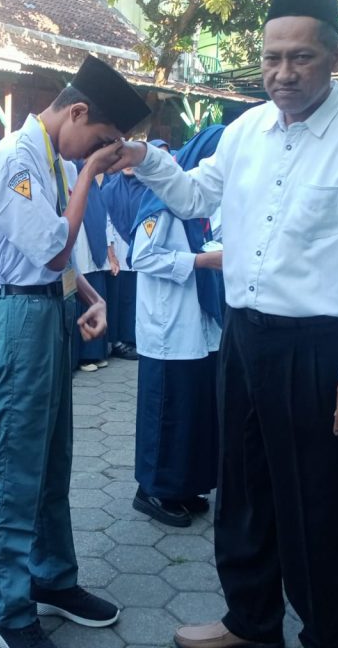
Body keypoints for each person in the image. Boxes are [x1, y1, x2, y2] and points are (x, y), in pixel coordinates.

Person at [99, 0, 338, 648]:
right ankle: (251, 620)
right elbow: (192, 196)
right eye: (272, 57)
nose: (283, 73)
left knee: (317, 501)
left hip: (319, 347)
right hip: (243, 337)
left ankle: (329, 633)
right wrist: (143, 157)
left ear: (336, 56)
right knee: (242, 487)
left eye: (301, 57)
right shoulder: (246, 130)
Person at [0, 54, 150, 648]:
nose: (94, 154)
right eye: (99, 141)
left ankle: (52, 578)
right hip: (22, 318)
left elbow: (57, 258)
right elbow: (50, 248)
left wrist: (90, 294)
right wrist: (88, 173)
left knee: (52, 459)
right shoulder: (15, 160)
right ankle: (10, 610)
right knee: (16, 467)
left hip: (50, 310)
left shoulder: (49, 157)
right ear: (76, 112)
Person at [129, 125, 225, 528]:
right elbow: (141, 256)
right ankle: (153, 489)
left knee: (194, 408)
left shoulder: (210, 203)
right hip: (168, 323)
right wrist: (201, 262)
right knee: (166, 408)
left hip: (199, 322)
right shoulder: (162, 199)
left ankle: (184, 485)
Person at [71, 159, 111, 372]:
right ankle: (82, 357)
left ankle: (96, 353)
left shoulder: (95, 191)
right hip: (78, 256)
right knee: (82, 304)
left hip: (96, 257)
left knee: (96, 301)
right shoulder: (72, 189)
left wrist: (110, 253)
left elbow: (105, 222)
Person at [102, 167, 145, 360]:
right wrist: (111, 254)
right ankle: (120, 341)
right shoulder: (110, 190)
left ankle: (137, 338)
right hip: (120, 252)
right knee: (121, 298)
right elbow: (106, 223)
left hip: (142, 251)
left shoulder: (148, 186)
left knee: (138, 297)